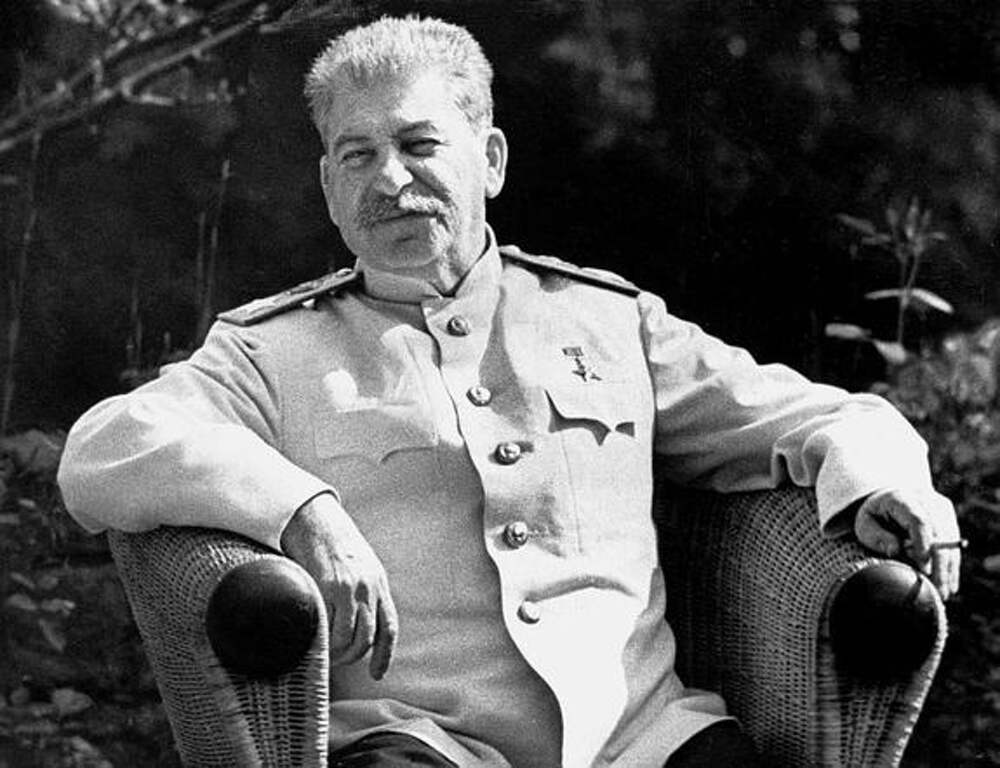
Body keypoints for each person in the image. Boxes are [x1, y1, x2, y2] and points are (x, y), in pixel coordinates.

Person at [58, 14, 962, 768]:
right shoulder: (271, 351)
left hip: (642, 740)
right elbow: (105, 445)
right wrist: (303, 511)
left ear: (489, 159)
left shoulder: (613, 323)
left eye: (418, 144)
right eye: (357, 155)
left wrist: (885, 484)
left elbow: (824, 416)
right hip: (421, 743)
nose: (389, 179)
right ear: (329, 186)